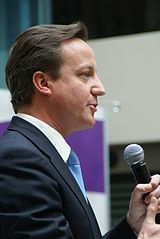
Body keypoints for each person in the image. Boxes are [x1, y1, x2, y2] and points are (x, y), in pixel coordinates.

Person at [0, 21, 160, 238]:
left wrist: (132, 226)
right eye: (85, 74)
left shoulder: (42, 156)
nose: (100, 89)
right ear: (43, 83)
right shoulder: (18, 159)